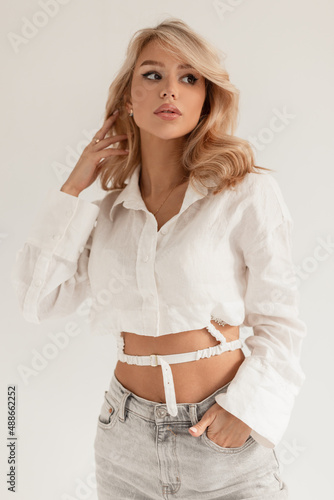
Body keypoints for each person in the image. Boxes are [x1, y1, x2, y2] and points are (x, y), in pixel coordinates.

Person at [12, 17, 306, 500]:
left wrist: (247, 411)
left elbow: (281, 322)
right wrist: (73, 188)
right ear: (129, 98)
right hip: (124, 444)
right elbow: (35, 302)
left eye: (189, 78)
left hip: (223, 444)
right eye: (153, 75)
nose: (171, 89)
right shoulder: (107, 213)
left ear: (206, 99)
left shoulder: (247, 193)